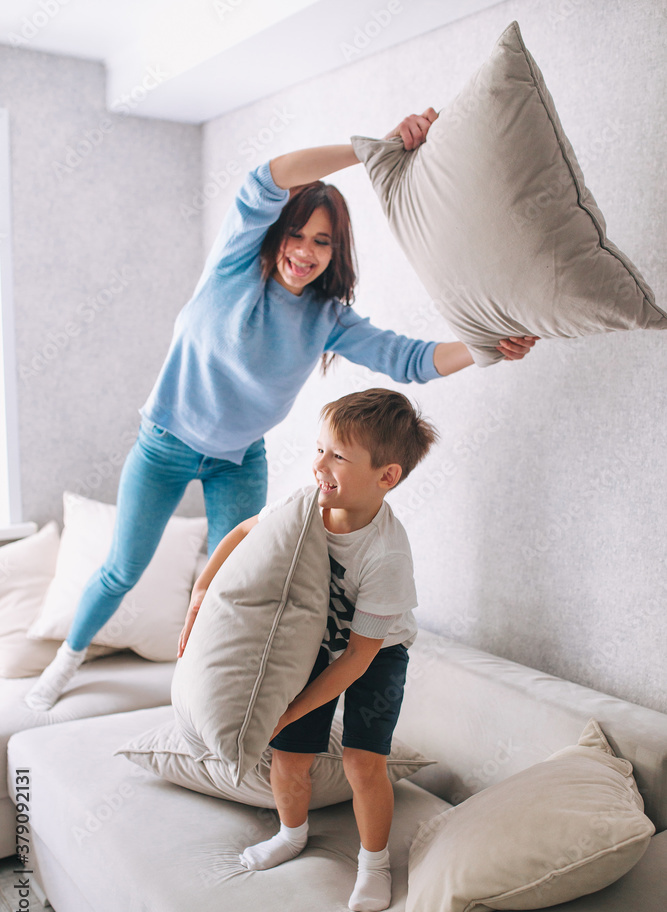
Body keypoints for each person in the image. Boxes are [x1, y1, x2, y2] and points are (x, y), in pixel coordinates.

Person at [25, 108, 537, 712]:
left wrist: (486, 347)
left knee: (232, 586)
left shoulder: (327, 317)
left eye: (322, 241)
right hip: (164, 443)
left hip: (238, 461)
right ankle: (67, 661)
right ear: (276, 234)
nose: (305, 251)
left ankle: (200, 691)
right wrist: (377, 147)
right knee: (122, 569)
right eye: (297, 234)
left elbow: (409, 358)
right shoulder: (235, 267)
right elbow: (268, 176)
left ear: (335, 251)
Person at [178, 387, 437, 912]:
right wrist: (203, 588)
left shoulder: (385, 554)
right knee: (290, 758)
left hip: (375, 654)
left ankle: (375, 863)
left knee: (365, 763)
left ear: (387, 476)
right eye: (320, 448)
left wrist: (290, 709)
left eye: (338, 456)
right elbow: (248, 528)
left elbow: (360, 659)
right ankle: (292, 834)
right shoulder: (303, 509)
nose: (319, 464)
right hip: (315, 642)